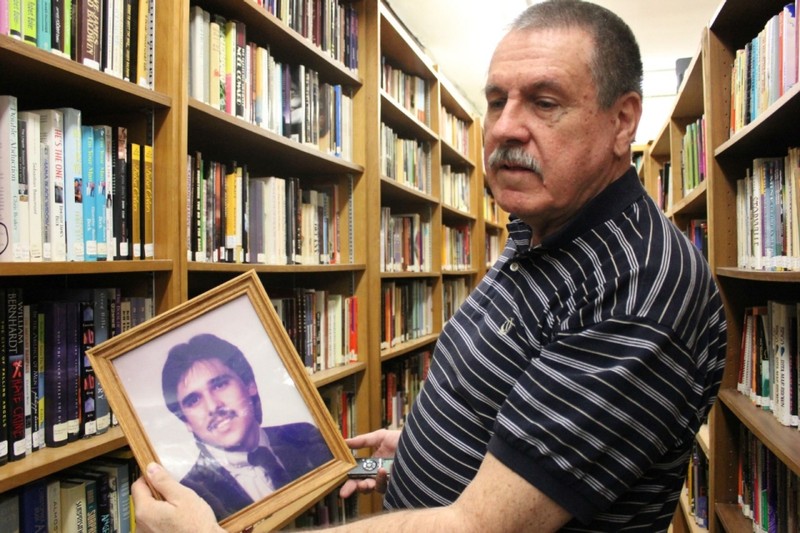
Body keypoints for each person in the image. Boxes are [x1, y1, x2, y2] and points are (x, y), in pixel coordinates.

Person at [130, 1, 727, 531]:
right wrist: (412, 449)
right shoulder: (540, 228)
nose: (503, 129)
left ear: (623, 122)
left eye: (544, 103)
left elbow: (481, 525)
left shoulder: (640, 287)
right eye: (497, 101)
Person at [158, 333, 333, 521]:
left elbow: (346, 478)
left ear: (250, 385)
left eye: (219, 385)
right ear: (186, 421)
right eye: (194, 400)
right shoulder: (188, 494)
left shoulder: (304, 434)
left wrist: (366, 469)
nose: (213, 406)